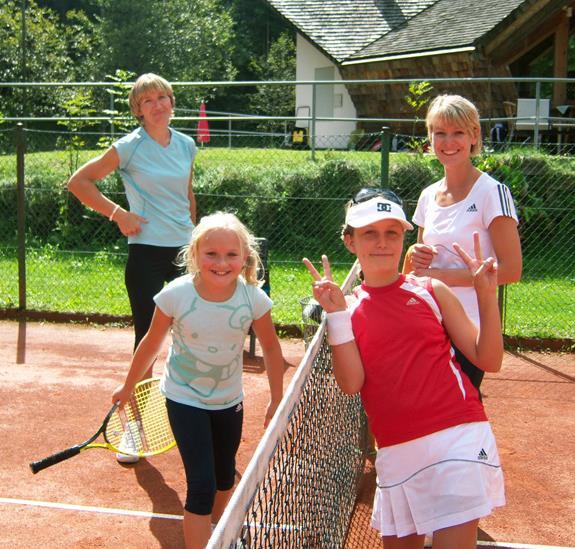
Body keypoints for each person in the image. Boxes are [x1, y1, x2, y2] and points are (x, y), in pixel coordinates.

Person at [304, 188, 505, 548]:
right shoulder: (346, 311)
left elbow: (488, 358)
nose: (382, 243)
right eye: (370, 233)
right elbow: (352, 384)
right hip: (397, 452)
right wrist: (335, 316)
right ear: (350, 241)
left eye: (392, 233)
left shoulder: (432, 290)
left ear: (404, 238)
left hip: (458, 437)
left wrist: (486, 296)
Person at [112, 212, 284, 549]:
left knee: (224, 478)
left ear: (245, 257)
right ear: (195, 254)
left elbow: (272, 349)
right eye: (212, 254)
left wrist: (276, 398)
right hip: (183, 398)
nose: (221, 262)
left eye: (231, 255)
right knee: (202, 484)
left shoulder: (253, 298)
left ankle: (219, 535)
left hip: (228, 400)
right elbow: (150, 342)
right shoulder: (176, 294)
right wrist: (128, 384)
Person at [68, 73, 197, 461]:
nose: (157, 105)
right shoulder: (128, 147)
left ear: (172, 102)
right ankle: (135, 430)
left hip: (185, 252)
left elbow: (187, 196)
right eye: (148, 101)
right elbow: (79, 182)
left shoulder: (187, 145)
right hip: (144, 254)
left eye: (163, 97)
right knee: (148, 340)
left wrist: (194, 235)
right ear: (137, 110)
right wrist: (117, 213)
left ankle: (194, 417)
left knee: (196, 332)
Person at [405, 94, 522, 397]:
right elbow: (419, 267)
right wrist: (413, 256)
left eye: (458, 132)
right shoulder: (427, 195)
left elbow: (511, 270)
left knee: (458, 412)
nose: (448, 141)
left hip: (470, 329)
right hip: (427, 325)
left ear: (473, 136)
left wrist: (443, 277)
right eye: (439, 132)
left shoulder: (492, 193)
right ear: (429, 137)